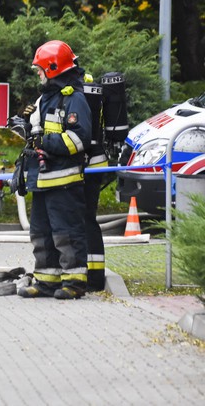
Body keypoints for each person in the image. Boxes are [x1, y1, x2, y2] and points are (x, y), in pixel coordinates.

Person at [17, 40, 92, 300]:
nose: (38, 73)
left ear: (52, 69)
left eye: (40, 69)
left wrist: (43, 141)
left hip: (64, 182)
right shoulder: (44, 99)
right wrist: (25, 125)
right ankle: (46, 281)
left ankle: (74, 282)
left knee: (66, 233)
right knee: (41, 234)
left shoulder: (75, 99)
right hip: (42, 180)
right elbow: (38, 133)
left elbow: (78, 140)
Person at [82, 70, 108, 291]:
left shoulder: (74, 95)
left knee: (84, 219)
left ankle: (91, 277)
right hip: (97, 161)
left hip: (87, 165)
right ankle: (95, 276)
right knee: (89, 219)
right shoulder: (93, 95)